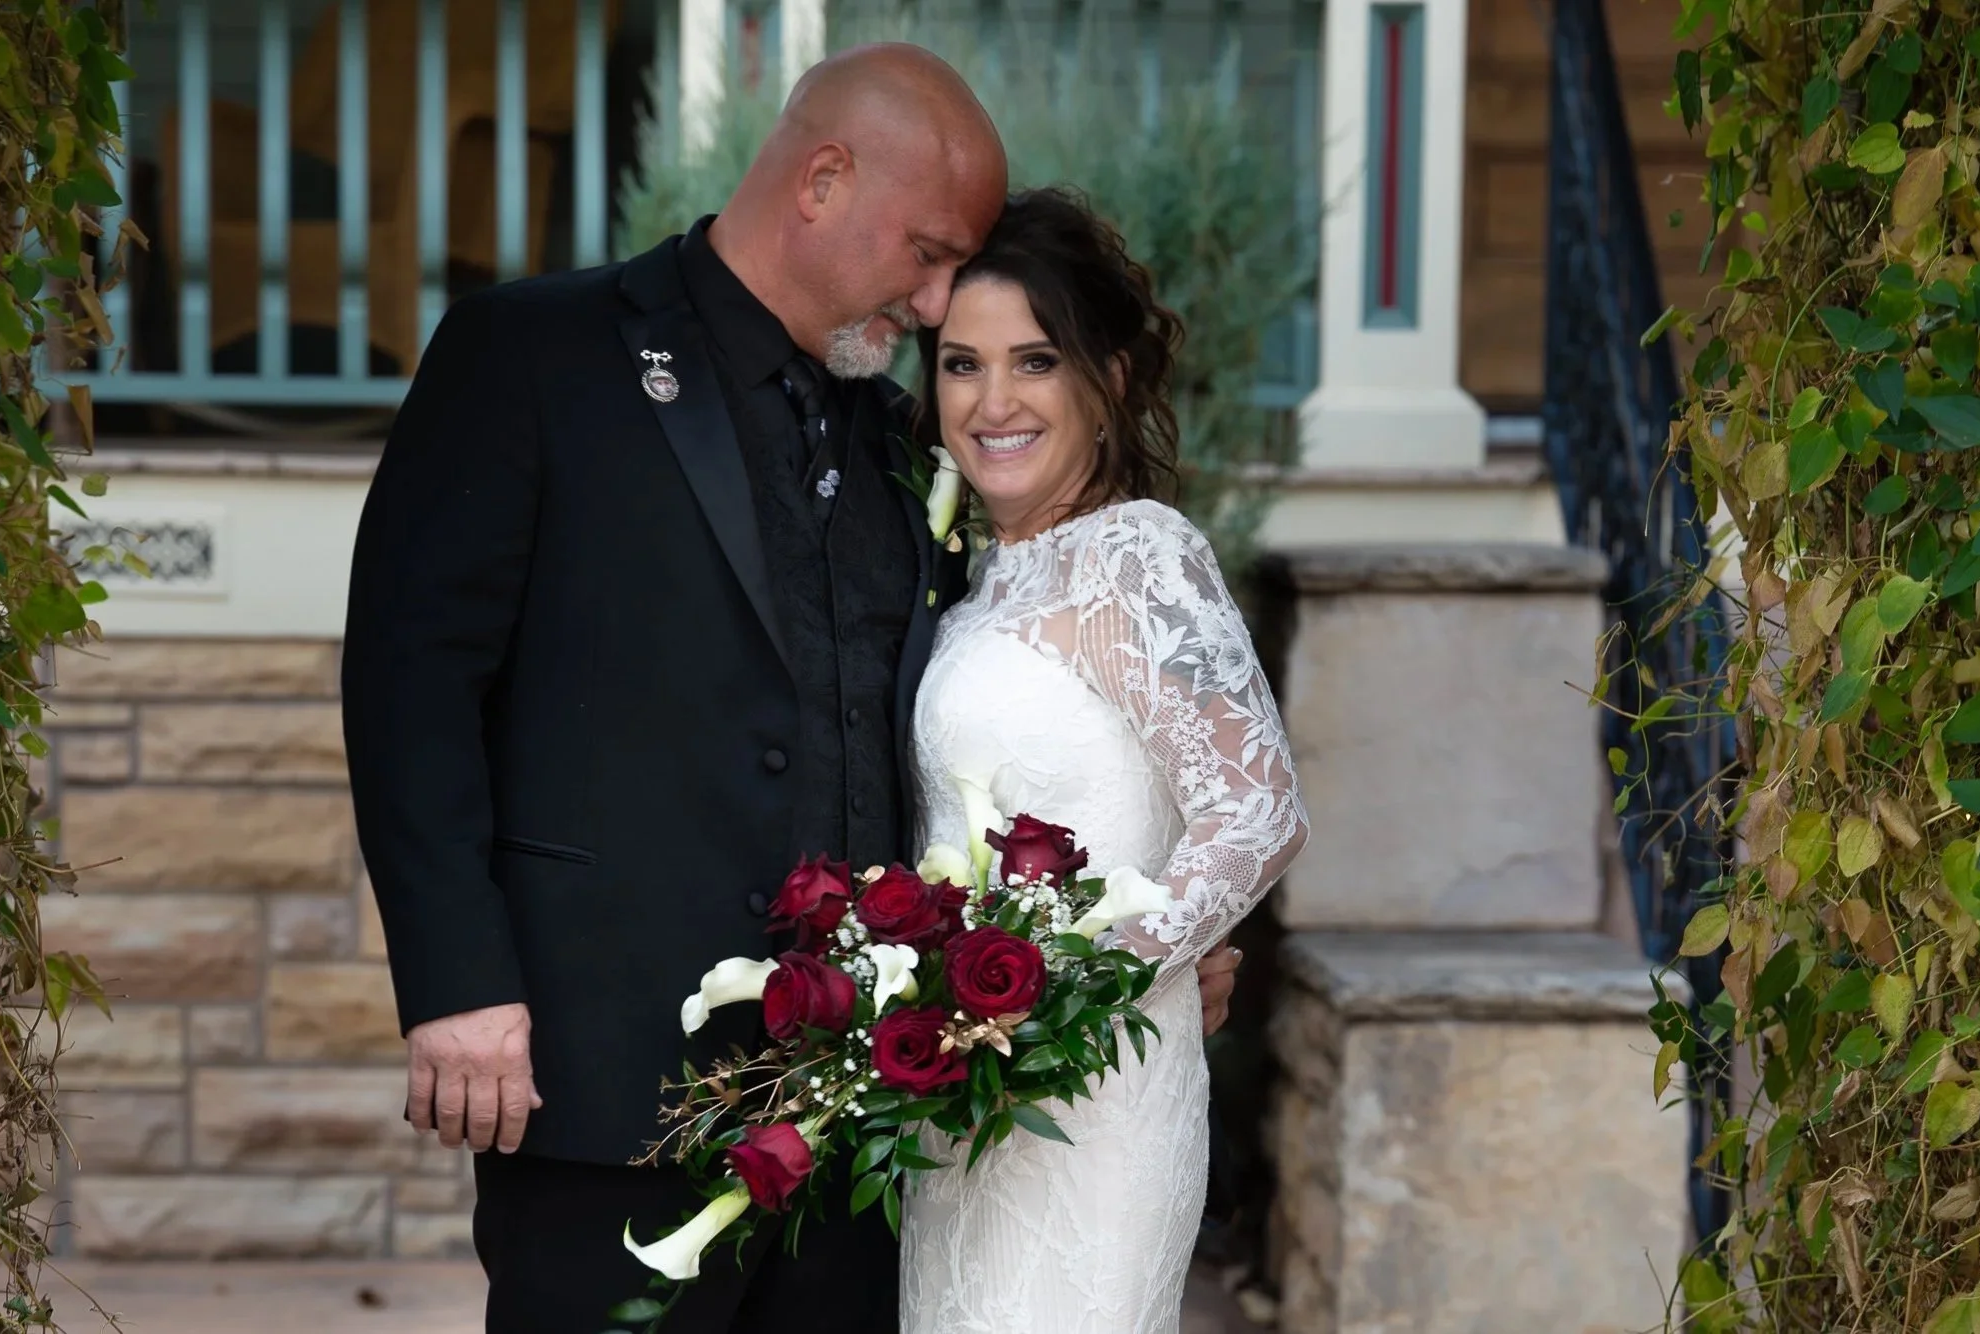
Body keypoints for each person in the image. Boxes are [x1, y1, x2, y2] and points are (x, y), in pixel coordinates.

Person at [340, 43, 1243, 1334]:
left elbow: (1014, 717)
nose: (940, 306)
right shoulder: (533, 355)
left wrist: (1147, 925)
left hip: (871, 1114)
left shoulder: (901, 433)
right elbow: (409, 678)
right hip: (604, 1084)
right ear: (822, 179)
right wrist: (456, 982)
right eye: (929, 253)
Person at [898, 187, 1308, 1333]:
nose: (992, 401)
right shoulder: (993, 575)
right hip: (972, 1101)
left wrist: (1089, 983)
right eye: (961, 364)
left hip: (1091, 1096)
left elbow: (1258, 809)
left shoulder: (1136, 555)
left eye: (1035, 360)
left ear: (1110, 379)